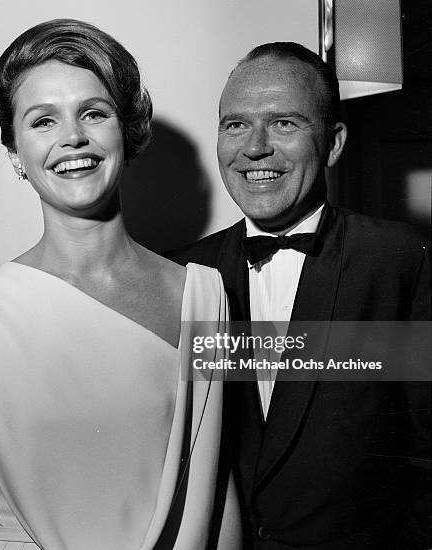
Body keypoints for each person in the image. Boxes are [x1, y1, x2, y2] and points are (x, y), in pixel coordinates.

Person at [0, 19, 241, 550]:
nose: (72, 137)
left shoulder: (202, 295)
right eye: (43, 121)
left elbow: (214, 491)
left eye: (93, 113)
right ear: (15, 153)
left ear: (127, 133)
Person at [168, 42, 431, 549]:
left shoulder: (399, 263)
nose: (255, 147)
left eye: (284, 123)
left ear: (333, 144)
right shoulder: (184, 274)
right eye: (235, 124)